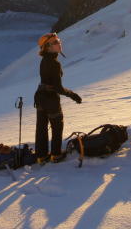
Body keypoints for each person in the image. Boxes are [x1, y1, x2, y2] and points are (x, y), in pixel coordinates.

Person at [34, 32, 82, 164]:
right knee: (57, 126)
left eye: (59, 41)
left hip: (40, 96)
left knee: (41, 128)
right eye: (55, 42)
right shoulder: (55, 63)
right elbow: (58, 88)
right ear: (47, 47)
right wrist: (73, 95)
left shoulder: (44, 60)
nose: (59, 43)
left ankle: (41, 156)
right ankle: (56, 154)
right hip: (51, 99)